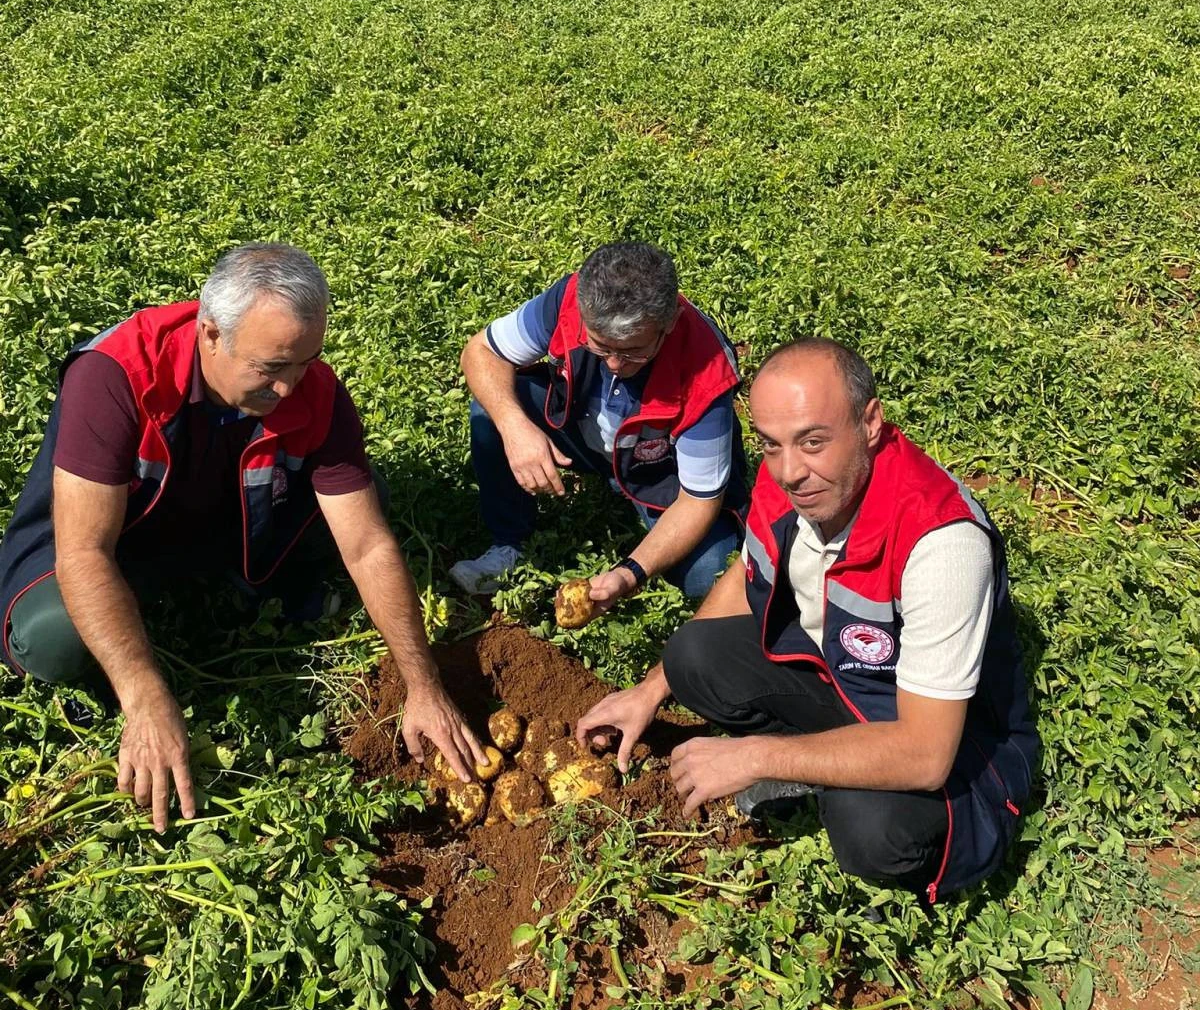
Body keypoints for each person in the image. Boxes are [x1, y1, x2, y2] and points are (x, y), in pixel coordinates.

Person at [0, 245, 482, 831]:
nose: (288, 388)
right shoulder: (117, 375)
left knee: (365, 499)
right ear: (209, 333)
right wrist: (145, 694)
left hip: (224, 520)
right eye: (270, 367)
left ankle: (245, 577)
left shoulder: (314, 390)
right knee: (52, 640)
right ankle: (147, 617)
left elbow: (368, 545)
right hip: (124, 538)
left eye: (304, 362)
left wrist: (423, 683)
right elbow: (84, 550)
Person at [577, 337, 1038, 904]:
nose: (791, 471)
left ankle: (820, 777)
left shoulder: (940, 542)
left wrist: (755, 756)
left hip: (949, 741)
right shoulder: (793, 476)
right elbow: (748, 571)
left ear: (870, 422)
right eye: (771, 445)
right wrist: (651, 691)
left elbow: (925, 753)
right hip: (846, 682)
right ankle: (819, 762)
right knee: (691, 656)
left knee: (870, 828)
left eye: (813, 442)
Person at [451, 242, 747, 606]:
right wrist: (516, 428)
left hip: (659, 473)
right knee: (491, 407)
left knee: (709, 572)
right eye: (600, 347)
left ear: (669, 322)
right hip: (583, 430)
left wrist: (629, 573)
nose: (614, 366)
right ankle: (508, 543)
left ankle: (641, 513)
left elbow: (698, 502)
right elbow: (480, 352)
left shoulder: (706, 367)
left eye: (633, 351)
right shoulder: (571, 300)